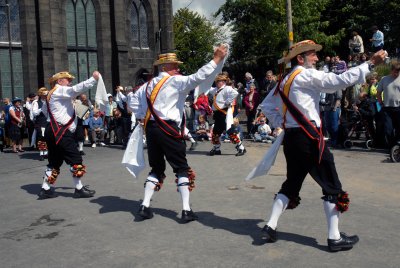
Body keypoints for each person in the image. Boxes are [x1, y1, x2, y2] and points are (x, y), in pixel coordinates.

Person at [260, 40, 386, 251]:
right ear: (300, 59)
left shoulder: (283, 80)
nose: (317, 58)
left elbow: (266, 106)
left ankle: (270, 226)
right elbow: (339, 81)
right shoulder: (306, 75)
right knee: (331, 184)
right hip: (309, 139)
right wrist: (370, 63)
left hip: (292, 138)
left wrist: (281, 124)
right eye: (312, 55)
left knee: (292, 183)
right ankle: (334, 238)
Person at [129, 45, 228, 222]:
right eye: (174, 65)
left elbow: (133, 102)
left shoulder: (147, 85)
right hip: (168, 128)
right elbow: (198, 77)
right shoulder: (174, 81)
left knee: (157, 168)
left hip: (151, 129)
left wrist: (141, 118)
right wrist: (216, 59)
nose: (178, 68)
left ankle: (144, 206)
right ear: (164, 67)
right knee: (182, 168)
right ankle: (186, 210)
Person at [37, 71, 100, 199]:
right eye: (67, 80)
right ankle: (78, 189)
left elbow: (45, 111)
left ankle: (45, 188)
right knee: (76, 159)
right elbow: (75, 89)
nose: (70, 82)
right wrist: (93, 79)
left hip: (53, 130)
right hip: (60, 132)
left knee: (54, 162)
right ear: (59, 81)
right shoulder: (59, 90)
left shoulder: (50, 94)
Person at [208, 73, 245, 156]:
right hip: (217, 114)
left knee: (230, 131)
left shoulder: (227, 88)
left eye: (219, 81)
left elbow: (235, 93)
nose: (217, 83)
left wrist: (228, 101)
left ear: (224, 81)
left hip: (224, 113)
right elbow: (208, 89)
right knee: (215, 132)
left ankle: (241, 148)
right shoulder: (215, 90)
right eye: (216, 81)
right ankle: (217, 148)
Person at [377, 62, 400, 148]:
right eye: (395, 72)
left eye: (398, 72)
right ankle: (392, 147)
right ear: (391, 70)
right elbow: (378, 92)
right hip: (387, 108)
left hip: (398, 108)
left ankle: (397, 147)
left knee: (399, 128)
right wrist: (380, 102)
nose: (396, 74)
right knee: (388, 129)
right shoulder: (384, 79)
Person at [31, 87, 50, 161]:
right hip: (40, 122)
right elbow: (35, 113)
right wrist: (42, 108)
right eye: (44, 95)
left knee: (47, 138)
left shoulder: (48, 101)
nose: (46, 96)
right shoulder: (36, 102)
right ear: (41, 95)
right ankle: (41, 153)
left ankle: (46, 152)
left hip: (47, 122)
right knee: (41, 138)